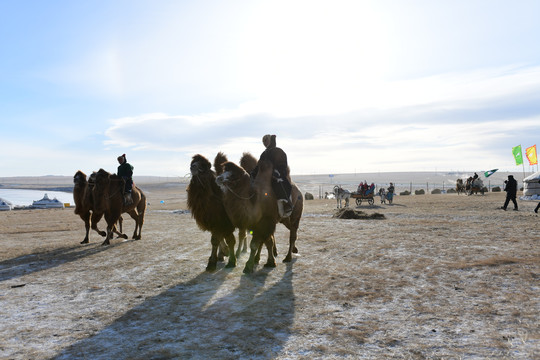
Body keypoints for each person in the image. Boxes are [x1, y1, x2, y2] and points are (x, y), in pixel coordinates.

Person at [252, 134, 293, 218]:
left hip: (277, 175)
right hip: (265, 175)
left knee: (279, 184)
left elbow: (282, 164)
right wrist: (253, 173)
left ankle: (286, 204)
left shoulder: (278, 151)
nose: (264, 143)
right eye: (263, 141)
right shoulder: (264, 153)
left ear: (270, 140)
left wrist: (276, 172)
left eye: (266, 140)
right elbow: (259, 165)